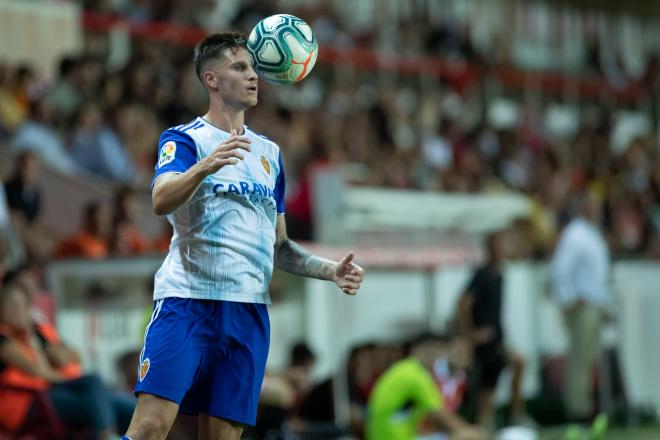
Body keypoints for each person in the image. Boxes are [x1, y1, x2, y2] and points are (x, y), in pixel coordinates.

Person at [123, 32, 365, 440]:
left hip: (248, 312)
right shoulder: (186, 139)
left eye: (253, 67)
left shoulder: (269, 154)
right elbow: (160, 199)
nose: (253, 76)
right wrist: (204, 167)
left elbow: (281, 247)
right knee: (148, 427)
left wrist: (329, 271)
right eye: (240, 67)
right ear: (211, 79)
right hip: (188, 302)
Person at [0, 284, 125, 438]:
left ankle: (109, 433)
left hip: (46, 394)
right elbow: (37, 371)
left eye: (20, 306)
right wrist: (68, 380)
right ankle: (107, 435)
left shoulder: (31, 333)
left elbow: (70, 356)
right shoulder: (3, 340)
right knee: (101, 400)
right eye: (11, 305)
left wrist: (31, 337)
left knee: (103, 396)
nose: (16, 311)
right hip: (26, 404)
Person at [457, 231, 531, 429]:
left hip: (497, 340)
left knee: (513, 367)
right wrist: (471, 335)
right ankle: (493, 423)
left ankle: (513, 415)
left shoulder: (498, 274)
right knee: (488, 387)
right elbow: (463, 303)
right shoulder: (483, 274)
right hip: (487, 342)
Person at [550, 191, 610, 423]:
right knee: (578, 359)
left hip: (593, 303)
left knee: (586, 359)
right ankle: (577, 411)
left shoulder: (591, 234)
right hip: (581, 305)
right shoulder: (575, 235)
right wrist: (570, 298)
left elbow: (596, 274)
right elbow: (560, 270)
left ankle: (585, 405)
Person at [366, 333, 485, 440]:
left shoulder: (404, 369)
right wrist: (471, 431)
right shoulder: (416, 375)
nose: (438, 356)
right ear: (420, 349)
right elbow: (441, 414)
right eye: (436, 350)